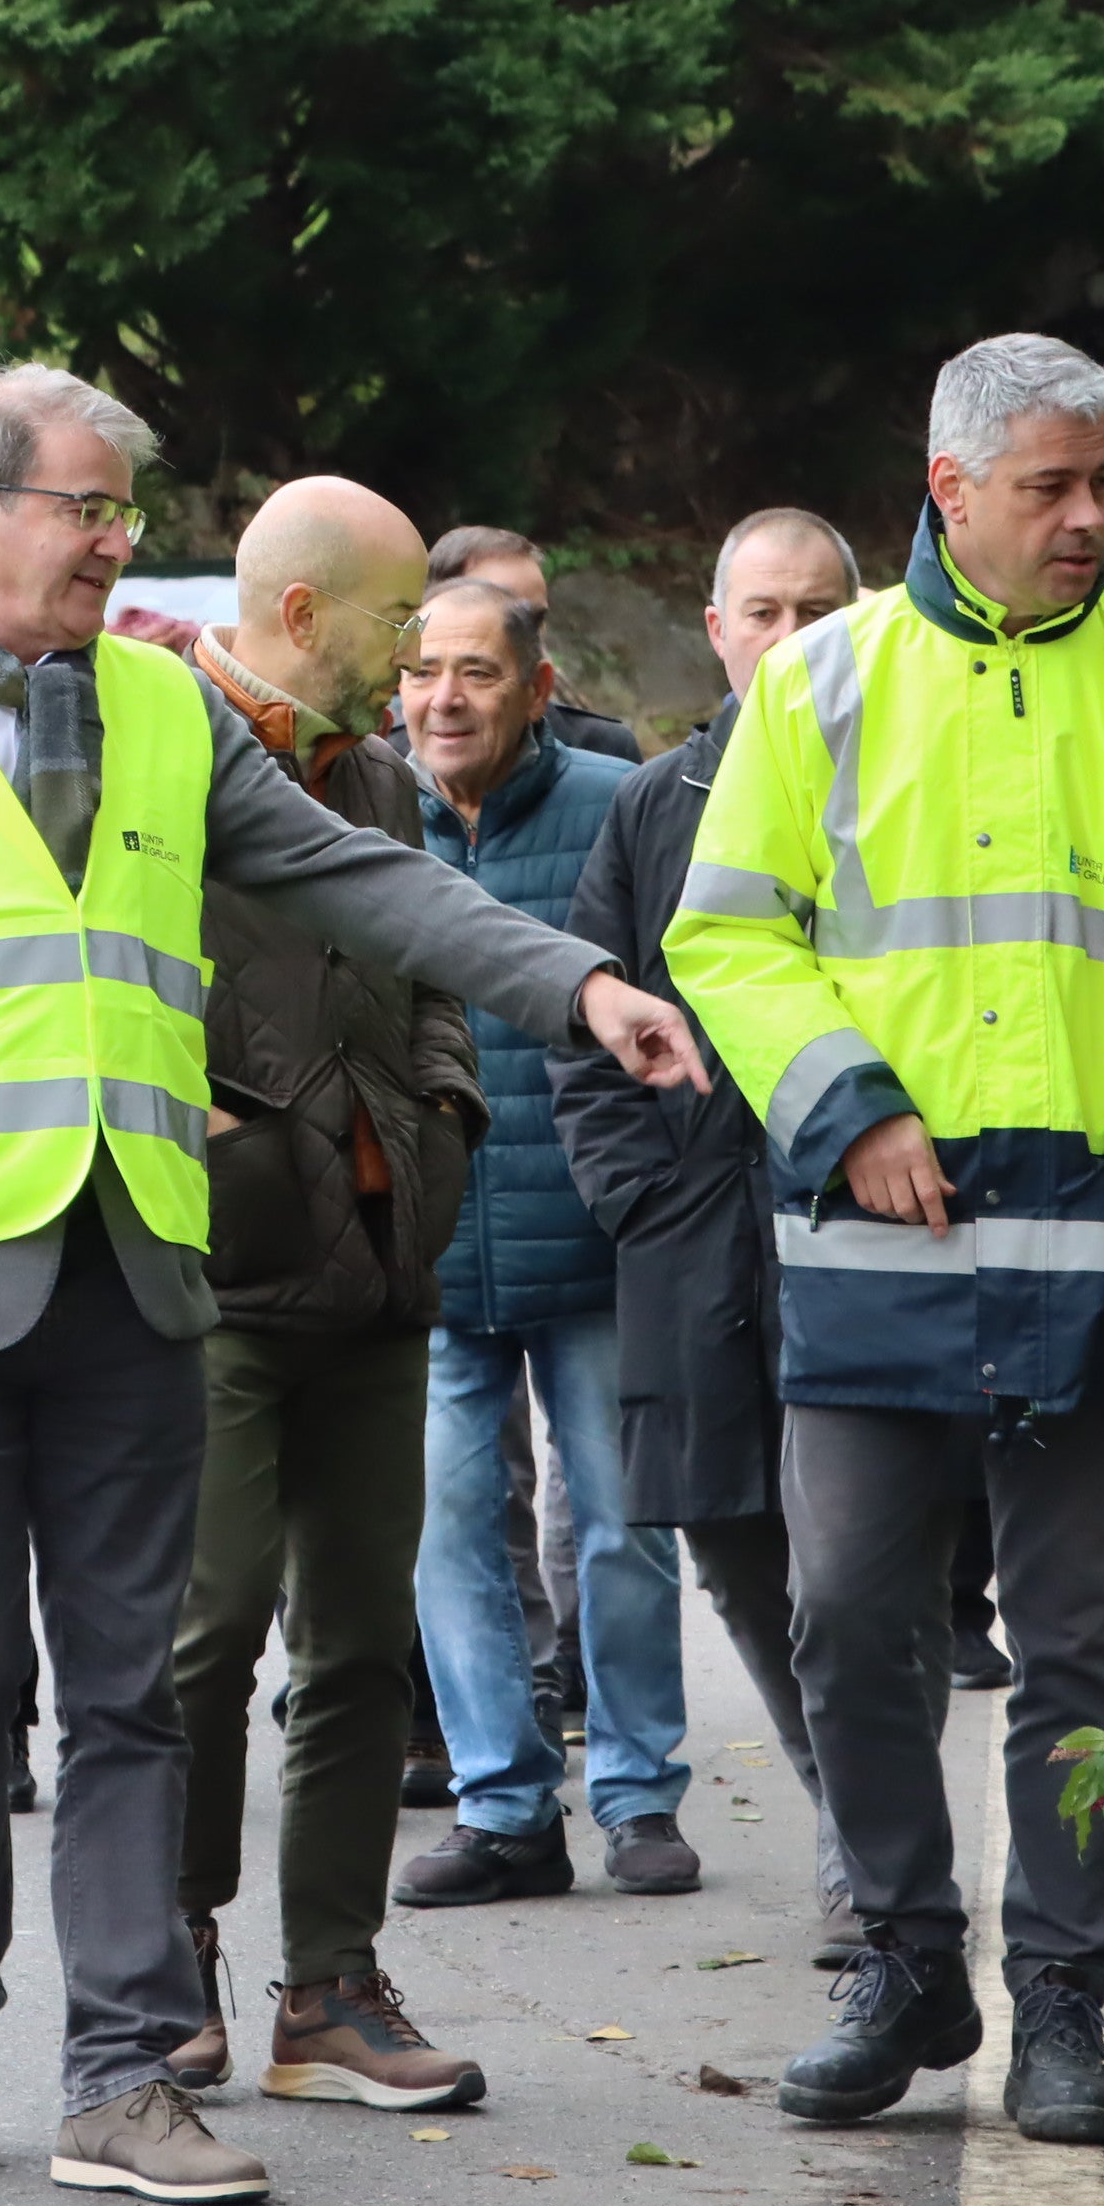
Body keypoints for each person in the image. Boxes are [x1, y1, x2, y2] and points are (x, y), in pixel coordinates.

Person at [0, 364, 706, 2206]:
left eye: (113, 512)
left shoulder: (163, 709)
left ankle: (117, 2073)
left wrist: (576, 987)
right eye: (85, 509)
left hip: (139, 1272)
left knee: (128, 1695)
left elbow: (357, 879)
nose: (111, 543)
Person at [667, 333, 1104, 2147]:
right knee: (853, 1620)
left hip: (1086, 1227)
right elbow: (726, 936)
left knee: (1079, 1653)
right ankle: (909, 1965)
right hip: (873, 1215)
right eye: (1053, 486)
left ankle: (1065, 2010)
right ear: (951, 491)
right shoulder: (822, 687)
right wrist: (848, 1105)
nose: (1090, 517)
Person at [160, 476, 495, 2115]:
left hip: (381, 1270)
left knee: (361, 1643)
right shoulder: (152, 755)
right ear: (302, 613)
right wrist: (214, 1144)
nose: (420, 656)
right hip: (217, 1279)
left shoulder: (379, 779)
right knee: (203, 1635)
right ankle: (166, 1962)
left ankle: (332, 1991)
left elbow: (434, 976)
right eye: (393, 620)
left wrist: (443, 1122)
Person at [556, 506, 860, 1968]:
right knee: (739, 1558)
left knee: (858, 1569)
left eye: (818, 610)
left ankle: (869, 1863)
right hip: (693, 1254)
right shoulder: (652, 804)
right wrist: (644, 1199)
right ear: (718, 627)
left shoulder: (900, 793)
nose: (788, 640)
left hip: (864, 1239)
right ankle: (850, 1821)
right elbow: (587, 1033)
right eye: (763, 612)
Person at [390, 577, 700, 1909]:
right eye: (420, 673)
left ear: (538, 684)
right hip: (430, 1251)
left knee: (622, 1528)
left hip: (593, 1243)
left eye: (474, 672)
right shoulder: (360, 820)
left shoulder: (611, 808)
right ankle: (505, 1805)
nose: (443, 698)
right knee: (452, 1530)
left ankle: (637, 1796)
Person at [425, 524, 641, 763]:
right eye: (506, 618)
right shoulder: (385, 757)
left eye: (535, 619)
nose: (527, 636)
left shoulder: (604, 749)